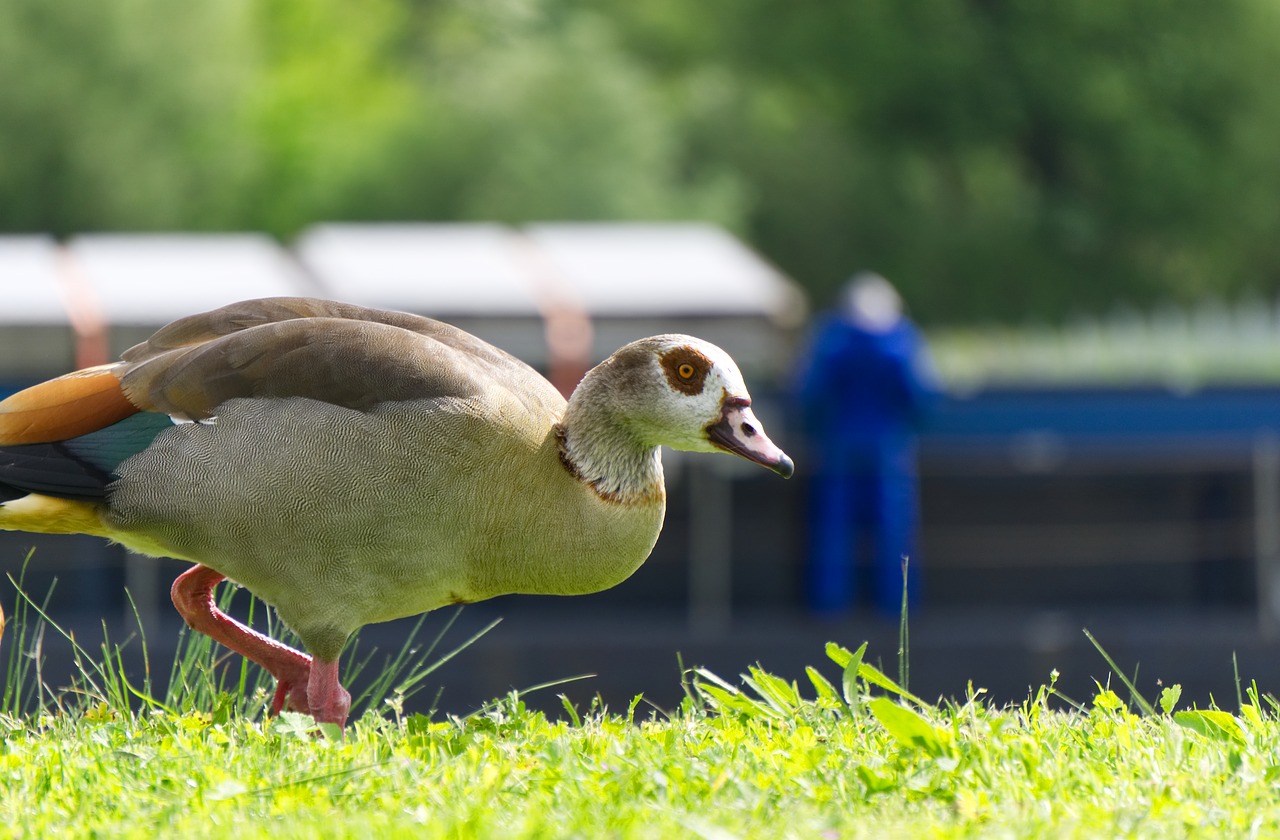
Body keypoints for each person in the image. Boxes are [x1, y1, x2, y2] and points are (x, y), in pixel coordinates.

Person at [795, 273, 940, 615]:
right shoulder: (902, 338)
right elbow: (923, 395)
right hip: (889, 447)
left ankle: (828, 610)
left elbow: (808, 394)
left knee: (833, 531)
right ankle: (898, 609)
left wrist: (816, 427)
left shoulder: (830, 338)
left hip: (838, 445)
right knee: (894, 533)